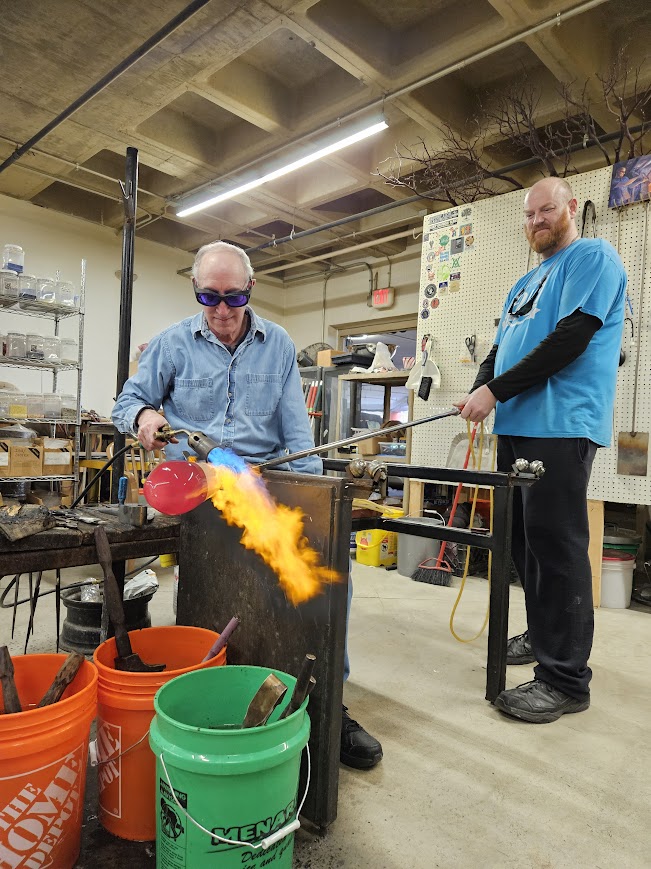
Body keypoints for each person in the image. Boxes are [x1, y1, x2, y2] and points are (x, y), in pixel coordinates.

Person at [112, 240, 382, 768]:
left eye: (233, 299)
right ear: (195, 291)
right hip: (199, 490)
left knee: (325, 580)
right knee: (215, 598)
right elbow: (127, 401)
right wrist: (144, 417)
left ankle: (327, 701)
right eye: (208, 297)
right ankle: (215, 695)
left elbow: (295, 430)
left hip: (265, 483)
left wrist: (312, 506)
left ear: (250, 291)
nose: (220, 311)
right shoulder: (171, 344)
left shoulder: (277, 342)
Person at [454, 177, 626, 724]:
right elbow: (500, 351)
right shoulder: (523, 284)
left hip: (561, 424)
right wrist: (483, 386)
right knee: (527, 546)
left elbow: (572, 337)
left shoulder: (592, 258)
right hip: (519, 425)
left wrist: (497, 390)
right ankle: (546, 635)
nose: (537, 221)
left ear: (570, 208)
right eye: (529, 215)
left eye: (546, 210)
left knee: (557, 547)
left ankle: (565, 679)